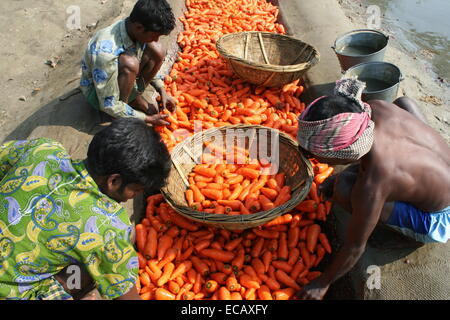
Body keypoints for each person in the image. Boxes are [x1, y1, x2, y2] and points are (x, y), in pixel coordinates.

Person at [295, 78, 450, 300]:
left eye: (313, 154)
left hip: (441, 217)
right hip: (440, 169)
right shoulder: (374, 108)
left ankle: (411, 234)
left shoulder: (374, 183)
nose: (310, 157)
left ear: (342, 152)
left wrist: (322, 283)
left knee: (345, 190)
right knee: (405, 102)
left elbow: (355, 247)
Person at [0, 118, 171, 300]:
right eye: (136, 190)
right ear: (114, 181)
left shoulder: (43, 149)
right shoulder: (109, 225)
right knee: (89, 271)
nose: (134, 196)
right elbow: (126, 297)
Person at [80, 0, 177, 126]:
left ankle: (133, 98)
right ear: (139, 28)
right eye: (154, 35)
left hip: (120, 76)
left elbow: (148, 51)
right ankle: (121, 113)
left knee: (158, 50)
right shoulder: (104, 54)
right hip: (100, 95)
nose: (156, 39)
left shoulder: (134, 29)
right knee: (130, 64)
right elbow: (108, 103)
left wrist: (161, 89)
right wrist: (146, 119)